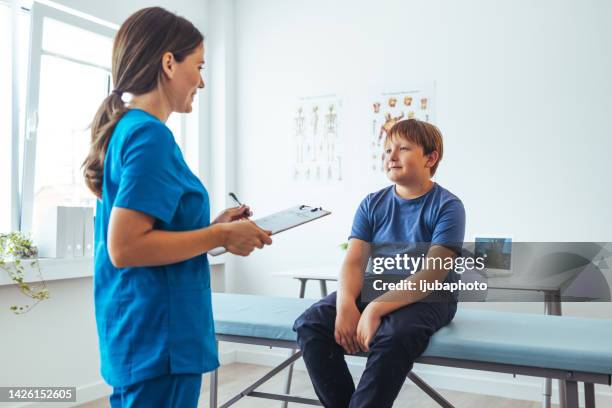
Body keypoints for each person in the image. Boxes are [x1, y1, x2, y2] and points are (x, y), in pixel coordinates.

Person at [82, 7, 272, 407]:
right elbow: (126, 247)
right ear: (169, 62)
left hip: (145, 334)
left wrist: (217, 226)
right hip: (158, 338)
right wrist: (220, 234)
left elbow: (151, 234)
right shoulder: (150, 137)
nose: (201, 81)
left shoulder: (129, 131)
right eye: (198, 66)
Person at [294, 119, 466, 407]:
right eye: (387, 150)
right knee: (310, 324)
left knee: (394, 334)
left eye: (403, 148)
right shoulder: (371, 204)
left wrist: (374, 308)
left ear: (430, 157)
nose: (391, 156)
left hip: (431, 296)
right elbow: (353, 262)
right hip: (379, 286)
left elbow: (432, 274)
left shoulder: (448, 206)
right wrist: (346, 303)